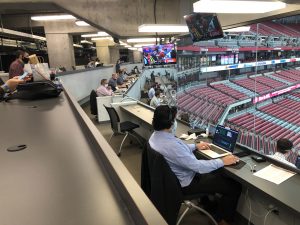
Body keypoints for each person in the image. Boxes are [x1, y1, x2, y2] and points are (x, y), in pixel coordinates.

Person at [149, 105, 241, 225]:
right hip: (186, 184)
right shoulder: (171, 145)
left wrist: (195, 146)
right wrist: (223, 161)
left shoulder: (155, 137)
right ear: (170, 123)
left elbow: (177, 151)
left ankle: (207, 204)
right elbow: (198, 167)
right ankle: (222, 221)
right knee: (234, 186)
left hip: (172, 181)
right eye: (175, 120)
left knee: (214, 171)